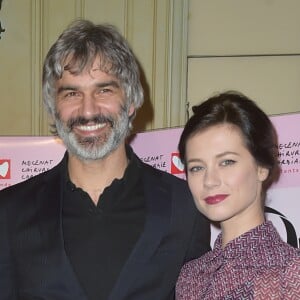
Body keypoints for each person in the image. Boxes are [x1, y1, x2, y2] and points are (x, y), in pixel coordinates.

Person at [0, 19, 211, 300]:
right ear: (54, 108)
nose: (88, 111)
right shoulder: (9, 213)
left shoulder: (184, 207)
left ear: (132, 99)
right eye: (72, 93)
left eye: (104, 90)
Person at [175, 91, 300, 299]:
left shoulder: (290, 274)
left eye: (227, 162)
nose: (209, 180)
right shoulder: (190, 277)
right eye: (197, 168)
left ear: (262, 168)